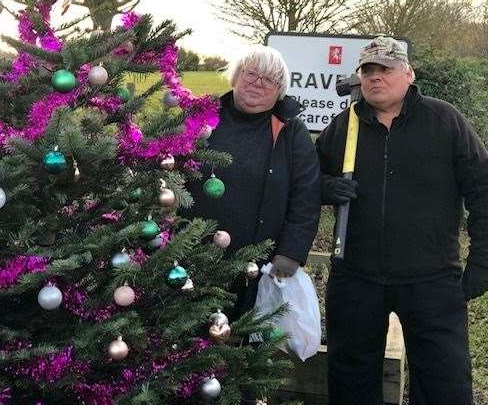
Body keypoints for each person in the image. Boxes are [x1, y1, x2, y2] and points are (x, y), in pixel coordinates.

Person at [316, 36, 488, 405]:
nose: (376, 78)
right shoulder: (344, 126)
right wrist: (325, 187)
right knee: (350, 382)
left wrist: (481, 262)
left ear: (407, 73)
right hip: (355, 279)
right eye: (368, 70)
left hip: (432, 280)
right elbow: (304, 181)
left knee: (445, 386)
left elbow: (483, 191)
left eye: (386, 69)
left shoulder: (445, 121)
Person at [185, 45, 321, 321]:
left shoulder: (290, 131)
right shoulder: (202, 118)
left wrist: (291, 252)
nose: (258, 83)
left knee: (244, 345)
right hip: (189, 256)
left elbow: (306, 194)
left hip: (256, 266)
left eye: (269, 79)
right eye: (251, 74)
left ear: (279, 89)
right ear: (236, 76)